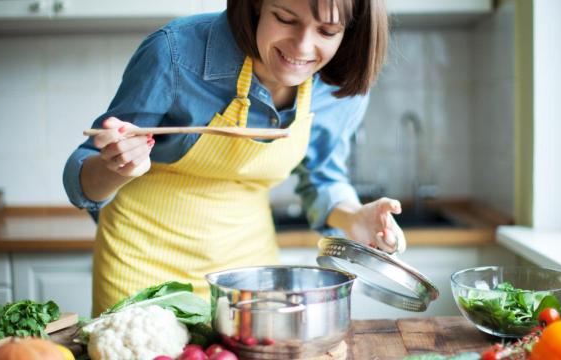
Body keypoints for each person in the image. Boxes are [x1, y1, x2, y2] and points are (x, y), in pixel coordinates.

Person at [64, 0, 406, 316]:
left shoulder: (339, 88)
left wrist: (355, 218)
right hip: (139, 267)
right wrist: (118, 166)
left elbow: (322, 178)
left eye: (327, 31)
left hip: (248, 275)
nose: (302, 47)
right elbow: (81, 180)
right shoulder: (176, 51)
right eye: (285, 18)